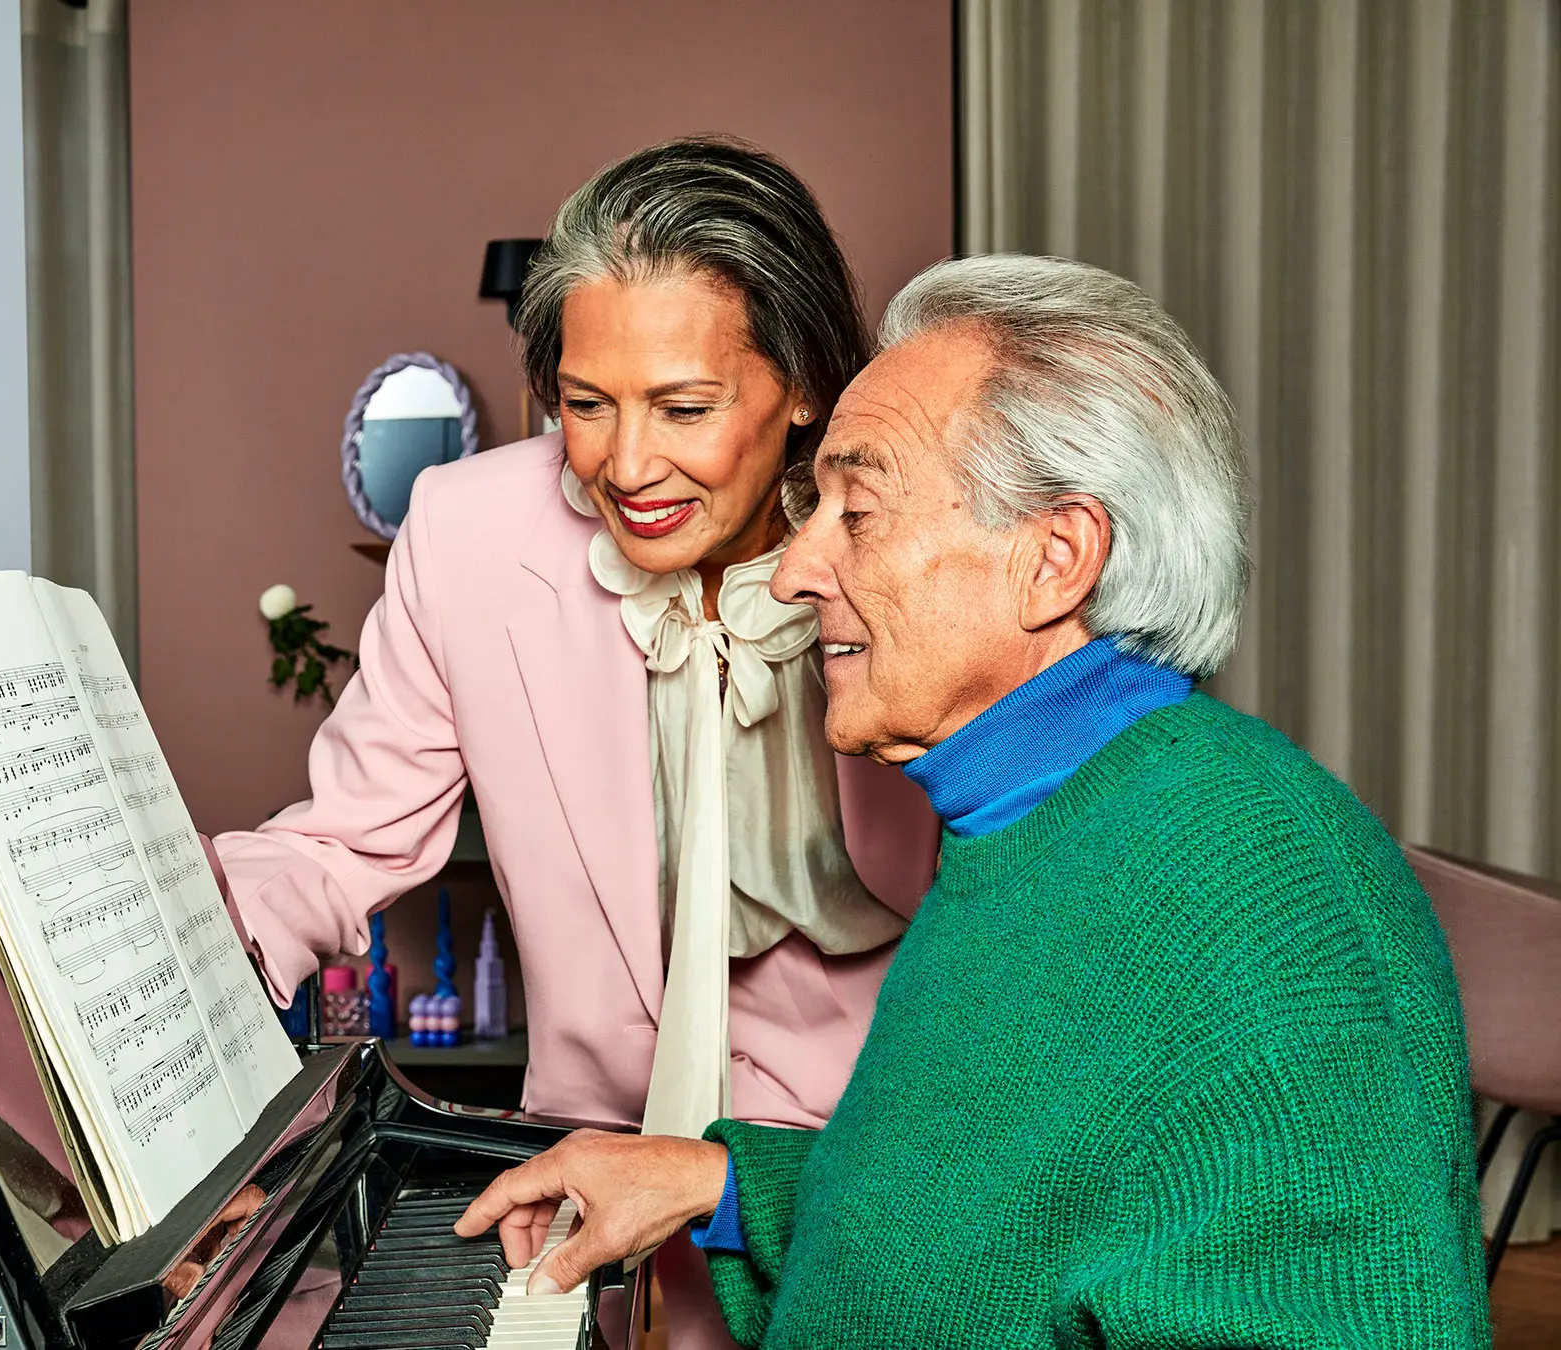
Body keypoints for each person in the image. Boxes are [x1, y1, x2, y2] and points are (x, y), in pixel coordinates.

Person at [456, 254, 1490, 1346]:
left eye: (858, 512)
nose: (797, 571)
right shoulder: (1037, 813)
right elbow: (994, 1219)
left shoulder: (1255, 906)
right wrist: (714, 1180)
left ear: (1054, 559)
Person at [205, 138, 940, 1341]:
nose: (626, 465)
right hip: (582, 1212)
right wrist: (182, 951)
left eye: (685, 408)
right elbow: (338, 845)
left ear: (805, 383)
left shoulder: (915, 547)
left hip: (864, 1209)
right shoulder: (470, 532)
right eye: (586, 406)